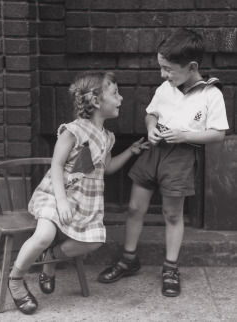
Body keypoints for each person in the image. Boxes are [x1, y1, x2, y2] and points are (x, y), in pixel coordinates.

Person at [98, 28, 229, 297]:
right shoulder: (165, 88)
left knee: (172, 214)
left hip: (181, 157)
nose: (163, 74)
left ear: (191, 67)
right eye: (161, 68)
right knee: (135, 208)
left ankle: (170, 267)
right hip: (153, 151)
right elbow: (151, 114)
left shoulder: (211, 95)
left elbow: (218, 134)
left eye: (168, 69)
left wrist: (186, 135)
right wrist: (151, 128)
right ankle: (128, 258)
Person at [8, 71, 149, 315]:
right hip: (57, 194)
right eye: (115, 93)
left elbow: (106, 168)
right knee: (43, 235)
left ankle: (50, 257)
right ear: (96, 101)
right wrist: (61, 201)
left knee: (94, 240)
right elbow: (56, 165)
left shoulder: (107, 137)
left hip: (86, 200)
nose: (121, 97)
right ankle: (16, 280)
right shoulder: (72, 130)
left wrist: (131, 152)